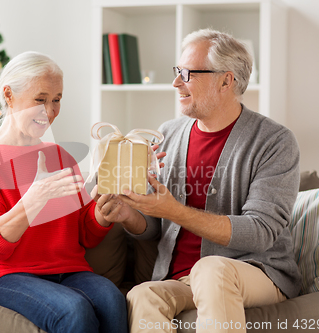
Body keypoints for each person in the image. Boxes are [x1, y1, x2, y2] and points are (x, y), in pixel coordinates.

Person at [99, 28, 302, 332]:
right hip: (182, 276)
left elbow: (261, 231)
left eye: (187, 73)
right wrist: (130, 215)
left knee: (212, 270)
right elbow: (157, 225)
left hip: (258, 271)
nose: (176, 82)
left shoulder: (274, 142)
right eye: (177, 71)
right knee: (142, 295)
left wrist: (174, 210)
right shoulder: (168, 134)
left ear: (226, 80)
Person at [0, 51, 128, 333]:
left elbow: (84, 233)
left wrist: (102, 214)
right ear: (8, 96)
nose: (50, 111)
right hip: (4, 276)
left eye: (56, 100)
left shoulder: (60, 156)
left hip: (67, 270)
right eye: (40, 99)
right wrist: (32, 201)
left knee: (111, 299)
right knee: (73, 310)